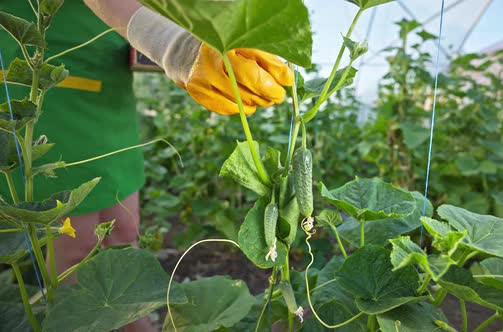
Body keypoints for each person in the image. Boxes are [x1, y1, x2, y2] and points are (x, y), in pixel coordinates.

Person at [0, 1, 293, 331]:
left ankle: (136, 323)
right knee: (75, 249)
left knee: (125, 234)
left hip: (109, 67)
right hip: (44, 73)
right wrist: (173, 44)